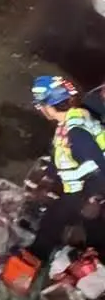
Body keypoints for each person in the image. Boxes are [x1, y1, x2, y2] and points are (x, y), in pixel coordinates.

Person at [28, 74, 105, 260]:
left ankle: (35, 256)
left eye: (40, 106)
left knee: (56, 219)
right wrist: (49, 178)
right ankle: (97, 257)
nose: (40, 110)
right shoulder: (69, 122)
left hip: (89, 188)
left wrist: (94, 199)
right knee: (88, 225)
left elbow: (101, 166)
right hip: (81, 187)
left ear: (48, 106)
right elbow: (61, 153)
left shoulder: (76, 133)